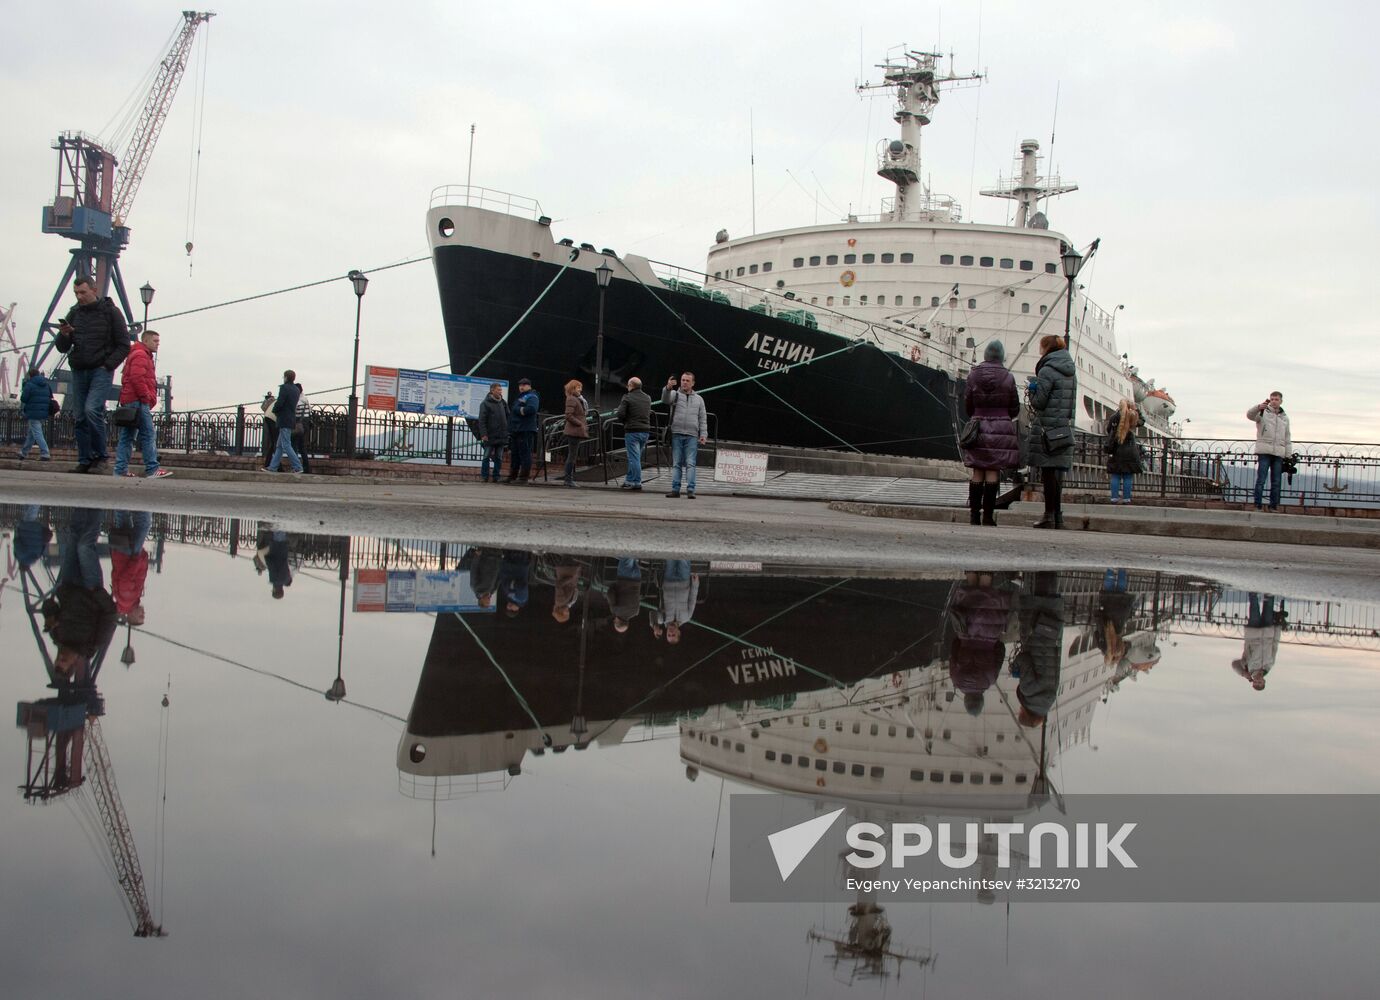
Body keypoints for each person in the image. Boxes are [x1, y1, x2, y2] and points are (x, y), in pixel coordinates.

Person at [54, 275, 130, 474]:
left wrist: (108, 365)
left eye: (83, 292)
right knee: (79, 416)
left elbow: (124, 345)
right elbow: (62, 348)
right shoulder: (74, 313)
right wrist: (65, 334)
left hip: (100, 370)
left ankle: (101, 457)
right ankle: (85, 460)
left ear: (94, 290)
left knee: (91, 410)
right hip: (79, 369)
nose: (79, 297)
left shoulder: (111, 313)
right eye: (76, 293)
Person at [962, 341, 1020, 525]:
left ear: (986, 355)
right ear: (1001, 356)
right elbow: (1015, 407)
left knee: (977, 470)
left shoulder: (973, 375)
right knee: (993, 470)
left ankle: (974, 515)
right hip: (1001, 427)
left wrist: (977, 414)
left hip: (978, 426)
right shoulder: (1008, 377)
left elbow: (968, 403)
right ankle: (988, 516)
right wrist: (1003, 416)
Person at [1026, 335, 1077, 529]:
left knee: (1048, 473)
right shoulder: (1070, 371)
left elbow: (1039, 402)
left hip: (1047, 427)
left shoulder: (1047, 369)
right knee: (1057, 475)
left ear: (1046, 348)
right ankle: (1057, 516)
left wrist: (1032, 388)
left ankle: (1048, 515)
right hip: (1063, 428)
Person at [112, 329, 172, 479]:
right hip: (137, 401)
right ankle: (152, 469)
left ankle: (120, 470)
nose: (158, 344)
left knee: (127, 436)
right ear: (145, 341)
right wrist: (146, 397)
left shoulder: (137, 353)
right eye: (155, 341)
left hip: (131, 400)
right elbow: (137, 378)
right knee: (148, 434)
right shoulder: (141, 355)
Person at [1011, 570, 1065, 727]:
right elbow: (1025, 659)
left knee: (1050, 592)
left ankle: (1052, 564)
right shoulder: (1028, 691)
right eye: (1020, 711)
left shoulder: (1051, 696)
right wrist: (1016, 668)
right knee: (1036, 586)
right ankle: (1042, 560)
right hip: (1036, 630)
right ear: (1024, 712)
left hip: (1053, 632)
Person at [661, 371, 707, 499]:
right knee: (677, 463)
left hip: (692, 435)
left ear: (693, 383)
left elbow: (702, 419)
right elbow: (664, 399)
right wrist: (668, 388)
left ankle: (691, 490)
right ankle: (675, 489)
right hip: (676, 433)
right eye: (683, 380)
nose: (684, 382)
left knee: (690, 463)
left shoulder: (699, 399)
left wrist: (703, 434)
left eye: (687, 380)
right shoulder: (674, 395)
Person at [1247, 391, 1291, 511]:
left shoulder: (1285, 417)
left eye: (1276, 399)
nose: (1273, 401)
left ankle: (1273, 506)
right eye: (1272, 399)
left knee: (1276, 481)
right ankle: (1257, 505)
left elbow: (1287, 437)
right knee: (1261, 479)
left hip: (1278, 452)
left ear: (1281, 401)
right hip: (1264, 450)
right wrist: (1257, 407)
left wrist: (1288, 455)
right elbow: (1250, 416)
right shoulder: (1263, 412)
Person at [1232, 593, 1284, 692]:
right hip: (1268, 632)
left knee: (1254, 607)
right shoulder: (1269, 665)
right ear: (1264, 681)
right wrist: (1277, 628)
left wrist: (1244, 674)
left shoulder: (1247, 668)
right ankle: (1269, 591)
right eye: (1260, 682)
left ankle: (1253, 590)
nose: (1257, 681)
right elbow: (1275, 645)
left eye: (1255, 683)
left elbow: (1234, 664)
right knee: (1269, 606)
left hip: (1253, 633)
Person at [262, 370, 304, 474]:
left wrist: (274, 410)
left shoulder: (284, 388)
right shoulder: (296, 390)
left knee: (286, 444)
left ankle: (298, 466)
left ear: (286, 377)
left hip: (283, 419)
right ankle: (273, 467)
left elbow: (280, 402)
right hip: (291, 419)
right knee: (279, 446)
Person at [616, 377, 652, 491]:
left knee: (633, 458)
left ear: (631, 385)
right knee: (636, 457)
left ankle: (637, 482)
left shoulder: (627, 397)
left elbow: (620, 414)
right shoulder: (647, 398)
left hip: (632, 432)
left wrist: (625, 422)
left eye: (628, 385)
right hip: (645, 431)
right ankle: (629, 480)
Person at [1104, 399, 1143, 504]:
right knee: (1127, 476)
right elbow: (1142, 422)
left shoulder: (1114, 417)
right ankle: (1126, 499)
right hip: (1130, 451)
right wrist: (1136, 409)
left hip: (1117, 450)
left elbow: (1108, 430)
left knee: (1115, 475)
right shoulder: (1132, 416)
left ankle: (1114, 498)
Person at [505, 377, 540, 483]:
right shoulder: (521, 397)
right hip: (517, 429)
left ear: (529, 386)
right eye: (520, 385)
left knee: (525, 454)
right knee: (515, 454)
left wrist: (517, 410)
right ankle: (512, 476)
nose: (521, 387)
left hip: (525, 429)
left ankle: (523, 477)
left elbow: (532, 409)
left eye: (524, 385)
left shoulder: (532, 396)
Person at [18, 366, 54, 461]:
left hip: (33, 412)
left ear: (30, 375)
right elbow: (50, 396)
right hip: (44, 412)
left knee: (37, 433)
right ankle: (24, 452)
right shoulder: (46, 384)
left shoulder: (29, 385)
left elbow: (23, 399)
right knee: (32, 433)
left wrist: (24, 386)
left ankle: (45, 453)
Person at [660, 559, 699, 643]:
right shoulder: (687, 617)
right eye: (673, 635)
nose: (670, 633)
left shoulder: (662, 619)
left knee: (670, 558)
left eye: (668, 635)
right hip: (684, 581)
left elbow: (652, 615)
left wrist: (654, 626)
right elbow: (692, 598)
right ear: (678, 632)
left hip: (668, 581)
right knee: (684, 558)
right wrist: (695, 584)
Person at [477, 382, 508, 482]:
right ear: (492, 390)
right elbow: (482, 420)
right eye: (498, 390)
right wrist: (484, 434)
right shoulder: (485, 404)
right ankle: (484, 476)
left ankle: (496, 476)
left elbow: (508, 415)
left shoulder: (503, 403)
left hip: (502, 435)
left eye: (501, 390)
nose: (500, 392)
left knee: (499, 457)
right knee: (486, 456)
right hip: (490, 435)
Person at [561, 379, 589, 487]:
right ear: (573, 388)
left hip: (575, 431)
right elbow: (568, 415)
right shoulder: (572, 399)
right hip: (574, 431)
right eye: (578, 387)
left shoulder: (576, 399)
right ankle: (568, 479)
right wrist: (580, 424)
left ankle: (569, 479)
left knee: (572, 455)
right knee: (572, 455)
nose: (580, 389)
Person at [292, 384, 313, 474]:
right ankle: (306, 467)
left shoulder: (298, 401)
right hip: (306, 424)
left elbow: (294, 412)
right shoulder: (306, 399)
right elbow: (310, 411)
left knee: (294, 446)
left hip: (298, 425)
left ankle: (297, 467)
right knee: (303, 447)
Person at [259, 391, 278, 465]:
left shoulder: (270, 401)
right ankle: (273, 464)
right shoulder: (274, 401)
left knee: (272, 442)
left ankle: (269, 462)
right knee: (274, 442)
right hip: (273, 420)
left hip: (269, 419)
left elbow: (263, 408)